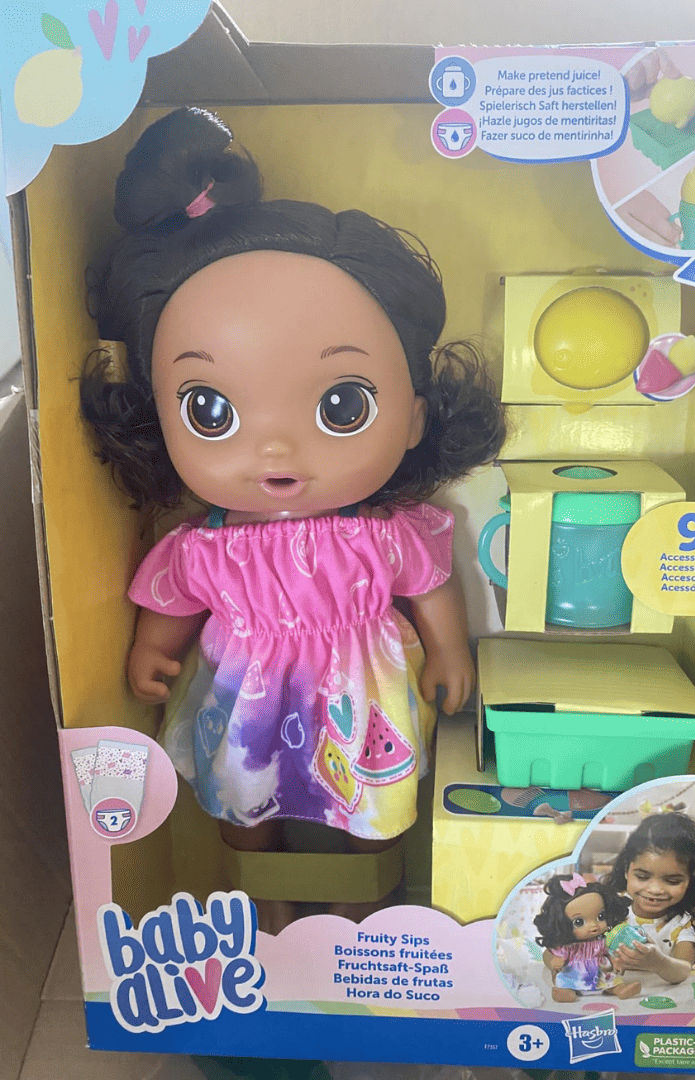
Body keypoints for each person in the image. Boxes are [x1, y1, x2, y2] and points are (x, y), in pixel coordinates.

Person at [80, 107, 505, 932]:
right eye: (210, 410)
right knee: (242, 799)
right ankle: (266, 903)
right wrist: (151, 651)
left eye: (342, 405)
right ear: (158, 418)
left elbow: (430, 584)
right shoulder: (204, 549)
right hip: (245, 698)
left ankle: (365, 903)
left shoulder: (388, 531)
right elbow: (171, 604)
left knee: (374, 801)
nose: (275, 447)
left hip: (364, 694)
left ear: (414, 418)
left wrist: (451, 648)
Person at [604, 812, 695, 984]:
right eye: (642, 877)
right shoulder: (608, 906)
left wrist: (658, 962)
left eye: (672, 881)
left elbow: (683, 970)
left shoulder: (687, 920)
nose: (655, 890)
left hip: (665, 996)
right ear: (626, 870)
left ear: (692, 877)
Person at [533, 873, 641, 1002]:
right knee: (564, 981)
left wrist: (616, 961)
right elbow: (548, 954)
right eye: (579, 922)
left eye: (600, 917)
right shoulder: (568, 947)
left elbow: (609, 952)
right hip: (573, 974)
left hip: (598, 973)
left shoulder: (602, 941)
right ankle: (565, 993)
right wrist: (552, 961)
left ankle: (620, 989)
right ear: (562, 924)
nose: (594, 925)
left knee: (613, 980)